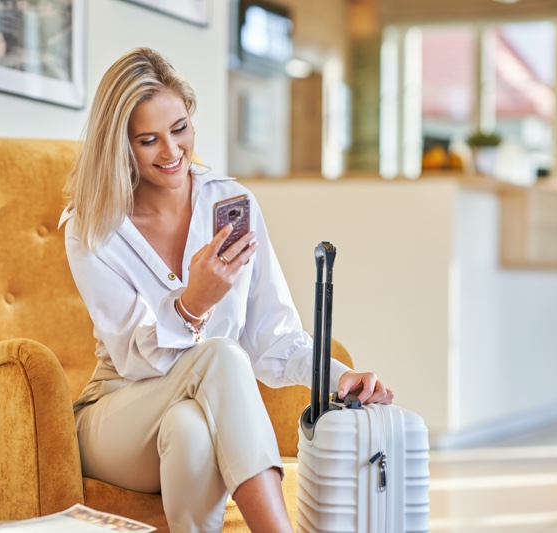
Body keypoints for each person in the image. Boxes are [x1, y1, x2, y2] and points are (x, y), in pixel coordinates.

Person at [60, 47, 393, 533]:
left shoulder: (231, 202)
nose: (173, 152)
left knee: (191, 430)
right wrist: (193, 303)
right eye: (148, 140)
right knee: (220, 355)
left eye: (180, 130)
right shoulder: (92, 229)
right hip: (117, 414)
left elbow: (274, 336)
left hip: (187, 418)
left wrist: (336, 375)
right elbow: (135, 361)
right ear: (120, 147)